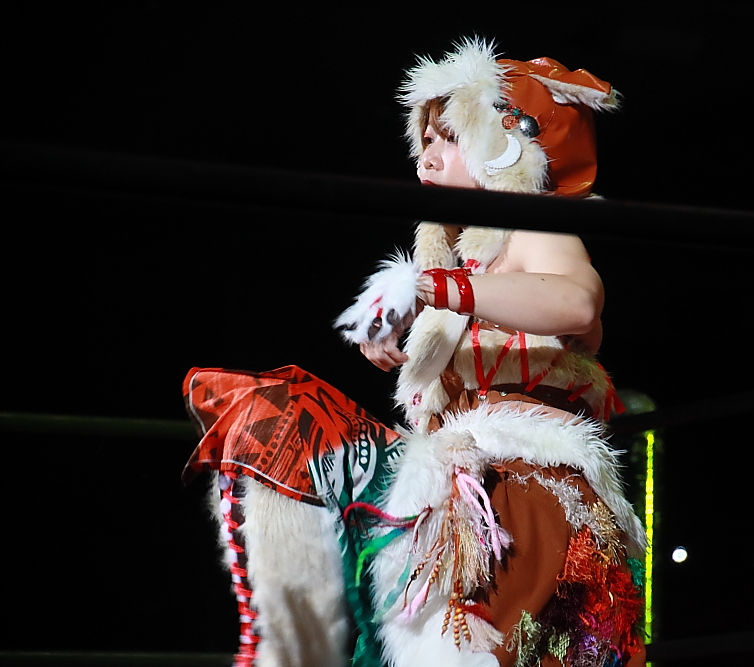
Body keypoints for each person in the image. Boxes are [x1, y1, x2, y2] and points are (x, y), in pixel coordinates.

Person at [183, 39, 645, 667]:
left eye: (449, 136)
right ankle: (291, 642)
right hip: (460, 488)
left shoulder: (535, 227)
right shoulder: (467, 263)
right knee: (279, 415)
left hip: (521, 489)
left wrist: (431, 289)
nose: (427, 153)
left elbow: (577, 303)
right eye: (424, 138)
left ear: (504, 143)